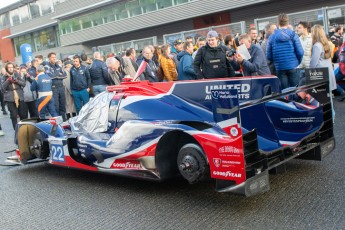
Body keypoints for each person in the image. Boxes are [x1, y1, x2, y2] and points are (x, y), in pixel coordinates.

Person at [266, 13, 304, 89]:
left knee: (284, 92)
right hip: (293, 66)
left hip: (280, 67)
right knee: (296, 90)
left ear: (278, 23)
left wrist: (277, 62)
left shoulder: (271, 37)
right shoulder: (293, 35)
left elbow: (268, 56)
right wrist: (297, 62)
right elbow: (300, 52)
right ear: (287, 22)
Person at [310, 24, 337, 121]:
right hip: (328, 73)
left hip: (321, 75)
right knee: (328, 98)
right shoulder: (326, 43)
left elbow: (313, 64)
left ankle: (329, 119)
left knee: (323, 99)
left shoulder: (317, 46)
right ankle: (332, 117)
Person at [2, 62, 27, 129]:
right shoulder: (4, 77)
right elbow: (2, 88)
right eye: (9, 67)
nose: (10, 69)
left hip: (19, 96)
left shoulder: (17, 74)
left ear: (13, 68)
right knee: (13, 115)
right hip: (10, 98)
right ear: (7, 69)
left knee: (23, 114)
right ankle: (16, 130)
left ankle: (23, 129)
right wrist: (8, 81)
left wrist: (16, 81)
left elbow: (24, 84)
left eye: (11, 67)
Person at [45, 52, 67, 120]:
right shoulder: (46, 67)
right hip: (54, 88)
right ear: (49, 58)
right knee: (56, 106)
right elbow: (50, 76)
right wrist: (58, 74)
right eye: (52, 57)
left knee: (63, 105)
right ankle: (58, 121)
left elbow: (65, 75)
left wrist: (56, 75)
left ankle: (64, 120)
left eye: (55, 57)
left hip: (61, 87)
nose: (54, 59)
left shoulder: (59, 66)